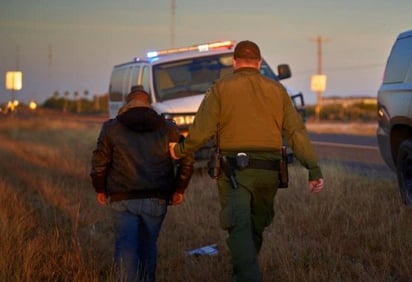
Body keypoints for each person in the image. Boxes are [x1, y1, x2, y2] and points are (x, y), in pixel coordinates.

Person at [170, 40, 324, 282]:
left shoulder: (220, 88)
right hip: (269, 172)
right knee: (255, 225)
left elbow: (200, 131)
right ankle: (243, 272)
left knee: (240, 226)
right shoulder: (278, 90)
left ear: (234, 63)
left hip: (234, 172)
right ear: (259, 63)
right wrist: (313, 169)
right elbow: (296, 132)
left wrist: (179, 150)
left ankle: (247, 275)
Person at [90, 85, 194, 282]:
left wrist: (100, 189)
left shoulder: (111, 128)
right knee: (148, 246)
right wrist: (179, 189)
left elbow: (99, 163)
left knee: (125, 246)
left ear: (127, 104)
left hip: (122, 197)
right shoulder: (168, 128)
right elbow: (187, 160)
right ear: (149, 105)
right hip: (157, 199)